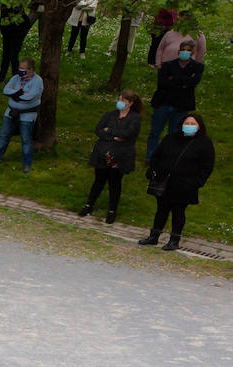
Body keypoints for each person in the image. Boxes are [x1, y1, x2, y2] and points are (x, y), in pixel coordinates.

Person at [139, 113, 215, 251]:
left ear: (199, 126)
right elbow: (156, 156)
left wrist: (196, 183)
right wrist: (154, 171)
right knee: (161, 210)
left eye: (193, 124)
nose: (189, 126)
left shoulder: (204, 143)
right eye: (187, 123)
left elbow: (207, 167)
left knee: (178, 212)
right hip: (164, 182)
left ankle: (174, 240)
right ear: (181, 124)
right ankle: (154, 236)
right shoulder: (170, 138)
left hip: (185, 185)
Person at [78, 91, 143, 224]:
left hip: (120, 156)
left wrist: (110, 131)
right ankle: (89, 205)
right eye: (119, 99)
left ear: (131, 103)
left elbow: (128, 134)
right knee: (98, 181)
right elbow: (98, 130)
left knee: (115, 183)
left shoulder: (135, 118)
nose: (120, 102)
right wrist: (113, 136)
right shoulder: (110, 114)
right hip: (103, 153)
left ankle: (112, 210)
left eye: (124, 100)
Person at [146, 39, 203, 160]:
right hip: (163, 102)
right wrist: (184, 82)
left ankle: (169, 157)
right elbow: (162, 83)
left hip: (181, 105)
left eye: (188, 50)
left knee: (175, 133)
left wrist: (173, 79)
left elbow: (193, 82)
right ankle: (150, 157)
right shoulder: (167, 65)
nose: (185, 52)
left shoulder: (198, 67)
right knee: (155, 132)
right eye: (182, 50)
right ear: (178, 51)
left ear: (192, 52)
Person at [0, 58, 43, 173]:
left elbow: (29, 97)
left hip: (28, 115)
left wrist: (15, 93)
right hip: (10, 112)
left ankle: (27, 165)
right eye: (19, 68)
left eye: (23, 69)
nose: (20, 71)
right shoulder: (16, 78)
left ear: (31, 70)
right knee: (4, 135)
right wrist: (20, 93)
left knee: (26, 139)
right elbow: (5, 90)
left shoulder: (37, 81)